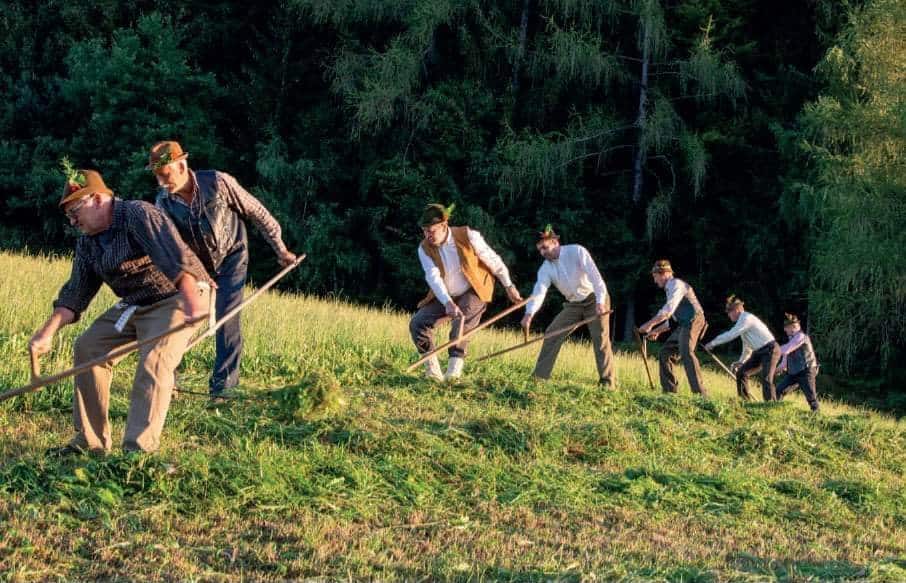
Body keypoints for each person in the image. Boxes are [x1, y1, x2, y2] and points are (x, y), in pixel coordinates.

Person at [29, 163, 211, 454]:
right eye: (68, 216)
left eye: (75, 213)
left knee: (154, 360)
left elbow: (175, 257)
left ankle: (137, 454)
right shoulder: (88, 244)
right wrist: (47, 333)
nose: (73, 222)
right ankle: (90, 442)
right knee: (89, 348)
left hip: (178, 295)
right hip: (135, 304)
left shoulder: (137, 214)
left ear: (99, 199)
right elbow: (76, 293)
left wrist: (192, 299)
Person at [148, 141, 296, 398]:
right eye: (157, 177)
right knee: (179, 317)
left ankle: (223, 390)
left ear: (182, 165)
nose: (162, 183)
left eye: (165, 175)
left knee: (227, 318)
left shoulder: (218, 182)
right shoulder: (163, 202)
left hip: (231, 257)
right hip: (195, 265)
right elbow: (171, 246)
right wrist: (197, 277)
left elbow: (257, 211)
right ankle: (168, 380)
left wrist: (280, 249)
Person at [410, 203, 522, 381]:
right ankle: (433, 373)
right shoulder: (424, 248)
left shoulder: (468, 235)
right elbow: (433, 277)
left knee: (460, 327)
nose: (427, 236)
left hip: (474, 289)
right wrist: (447, 302)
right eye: (424, 231)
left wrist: (508, 285)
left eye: (431, 231)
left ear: (444, 226)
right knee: (418, 323)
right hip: (445, 293)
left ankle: (453, 375)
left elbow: (493, 260)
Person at [520, 225, 615, 386]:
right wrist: (529, 314)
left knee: (600, 338)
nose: (543, 252)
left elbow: (596, 277)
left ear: (555, 242)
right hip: (574, 304)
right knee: (551, 333)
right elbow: (539, 292)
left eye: (545, 247)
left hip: (594, 298)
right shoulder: (545, 268)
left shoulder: (576, 251)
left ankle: (608, 382)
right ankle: (539, 378)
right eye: (540, 250)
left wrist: (600, 301)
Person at [638, 259, 708, 396]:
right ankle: (669, 393)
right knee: (665, 353)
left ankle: (701, 395)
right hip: (684, 324)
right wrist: (656, 331)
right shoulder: (670, 289)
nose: (654, 281)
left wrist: (649, 324)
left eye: (655, 277)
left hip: (695, 321)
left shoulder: (676, 285)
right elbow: (673, 319)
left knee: (686, 352)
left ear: (663, 273)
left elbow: (668, 310)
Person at [705, 295, 781, 401]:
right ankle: (744, 401)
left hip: (770, 350)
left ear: (737, 310)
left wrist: (712, 343)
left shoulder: (746, 318)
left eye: (729, 312)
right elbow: (747, 348)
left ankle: (770, 405)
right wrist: (741, 362)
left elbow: (731, 334)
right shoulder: (742, 323)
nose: (728, 315)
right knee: (741, 373)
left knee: (767, 378)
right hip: (759, 352)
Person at [776, 313, 820, 411]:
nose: (784, 330)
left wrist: (772, 349)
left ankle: (817, 417)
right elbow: (784, 362)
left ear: (793, 327)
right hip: (794, 373)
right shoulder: (791, 340)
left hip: (806, 371)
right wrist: (774, 371)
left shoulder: (801, 337)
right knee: (779, 390)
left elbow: (787, 349)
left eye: (786, 327)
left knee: (811, 397)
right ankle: (775, 410)